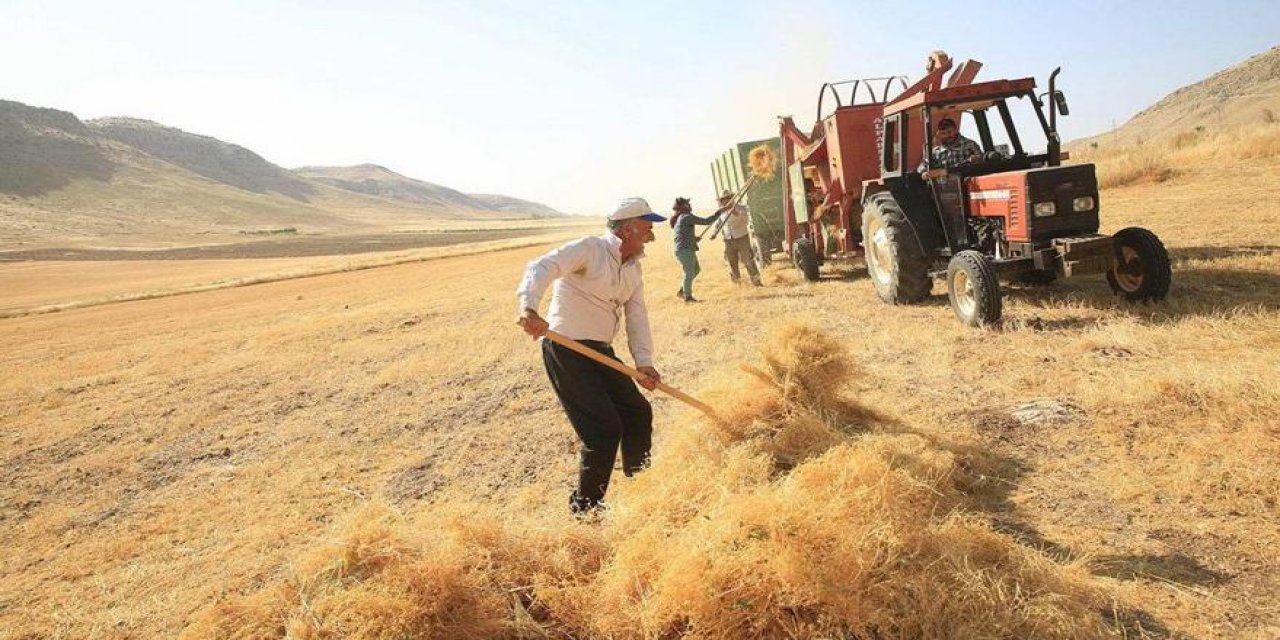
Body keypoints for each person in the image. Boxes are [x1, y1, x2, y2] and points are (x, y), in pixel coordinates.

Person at [515, 197, 665, 515]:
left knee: (637, 412)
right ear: (628, 229)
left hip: (600, 351)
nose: (651, 236)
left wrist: (644, 363)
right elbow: (542, 266)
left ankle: (642, 488)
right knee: (603, 430)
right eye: (648, 229)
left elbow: (637, 317)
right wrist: (529, 308)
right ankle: (585, 510)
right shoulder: (590, 249)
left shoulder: (633, 270)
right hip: (566, 348)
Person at [669, 196, 719, 302]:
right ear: (683, 207)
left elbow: (683, 234)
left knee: (696, 270)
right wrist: (719, 212)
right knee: (689, 272)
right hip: (684, 250)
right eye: (687, 204)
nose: (690, 205)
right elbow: (706, 221)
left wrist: (694, 238)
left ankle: (683, 290)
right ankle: (687, 296)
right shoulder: (686, 217)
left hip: (684, 249)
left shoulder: (682, 217)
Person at [716, 190, 763, 287]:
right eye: (723, 200)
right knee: (732, 262)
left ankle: (756, 281)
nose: (726, 201)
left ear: (732, 199)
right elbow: (719, 224)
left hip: (741, 238)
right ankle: (738, 284)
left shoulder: (741, 208)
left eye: (728, 199)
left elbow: (746, 220)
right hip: (728, 240)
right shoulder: (722, 212)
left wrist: (736, 213)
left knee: (748, 260)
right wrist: (715, 233)